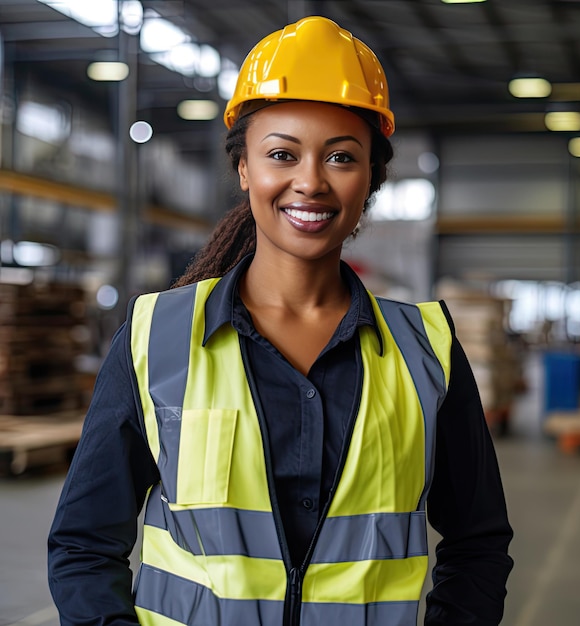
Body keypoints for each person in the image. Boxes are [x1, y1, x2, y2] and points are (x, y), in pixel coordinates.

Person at [48, 15, 513, 626]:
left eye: (342, 157)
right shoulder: (155, 337)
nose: (310, 182)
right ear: (245, 170)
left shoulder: (426, 351)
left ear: (371, 177)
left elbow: (477, 544)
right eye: (281, 154)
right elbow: (84, 545)